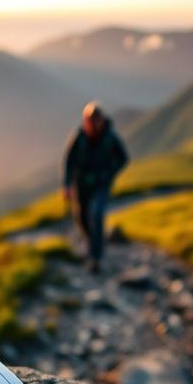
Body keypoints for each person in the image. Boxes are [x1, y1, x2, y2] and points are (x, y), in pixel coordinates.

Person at [62, 102, 129, 272]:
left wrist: (109, 173)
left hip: (101, 184)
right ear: (85, 121)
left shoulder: (110, 137)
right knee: (83, 218)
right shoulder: (79, 136)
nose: (91, 125)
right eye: (89, 121)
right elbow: (69, 161)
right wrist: (67, 185)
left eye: (95, 121)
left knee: (96, 214)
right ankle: (93, 242)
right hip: (82, 184)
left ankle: (95, 257)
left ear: (101, 120)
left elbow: (123, 158)